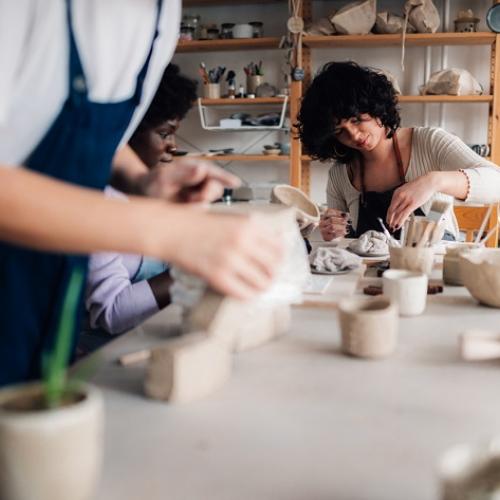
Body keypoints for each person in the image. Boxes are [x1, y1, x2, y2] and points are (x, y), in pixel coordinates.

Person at [0, 2, 283, 385]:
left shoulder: (163, 17)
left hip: (48, 296)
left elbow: (88, 134)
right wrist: (172, 232)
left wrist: (140, 181)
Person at [296, 61, 500, 241]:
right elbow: (343, 242)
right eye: (340, 131)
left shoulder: (430, 142)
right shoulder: (340, 174)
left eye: (356, 120)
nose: (355, 136)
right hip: (372, 278)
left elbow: (496, 182)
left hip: (434, 272)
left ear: (374, 105)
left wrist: (433, 181)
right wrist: (333, 232)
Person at [83, 64, 196, 347]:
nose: (172, 145)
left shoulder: (154, 192)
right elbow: (112, 312)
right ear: (126, 134)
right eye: (164, 133)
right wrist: (196, 270)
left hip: (148, 335)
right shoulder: (96, 203)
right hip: (98, 355)